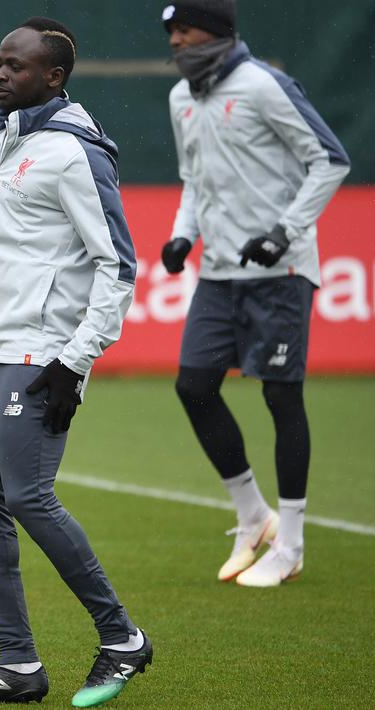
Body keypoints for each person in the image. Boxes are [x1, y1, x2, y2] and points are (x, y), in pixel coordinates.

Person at [0, 17, 150, 707]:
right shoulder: (3, 137)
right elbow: (7, 233)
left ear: (52, 77)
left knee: (28, 496)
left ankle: (121, 637)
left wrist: (72, 361)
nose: (0, 74)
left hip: (40, 356)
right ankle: (19, 666)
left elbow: (117, 265)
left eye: (16, 66)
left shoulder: (72, 151)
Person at [159, 0, 350, 587]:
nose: (176, 43)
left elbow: (330, 161)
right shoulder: (181, 98)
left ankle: (290, 544)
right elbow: (194, 178)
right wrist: (181, 234)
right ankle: (252, 516)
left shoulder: (265, 85)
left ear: (215, 33)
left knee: (280, 399)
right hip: (219, 274)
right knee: (194, 385)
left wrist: (282, 233)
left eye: (185, 31)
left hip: (280, 272)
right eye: (171, 34)